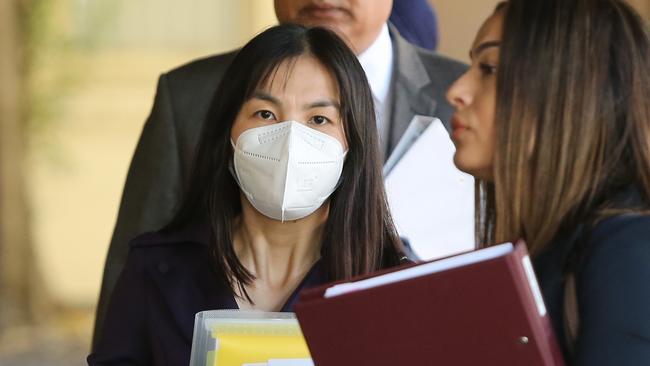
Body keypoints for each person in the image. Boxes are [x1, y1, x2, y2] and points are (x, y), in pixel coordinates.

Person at [93, 0, 466, 346]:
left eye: (319, 119)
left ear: (354, 141)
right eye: (265, 114)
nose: (291, 138)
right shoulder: (160, 270)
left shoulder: (472, 99)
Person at [446, 0, 650, 364]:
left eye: (489, 68)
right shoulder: (544, 240)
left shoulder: (627, 248)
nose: (457, 90)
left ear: (571, 90)